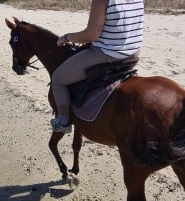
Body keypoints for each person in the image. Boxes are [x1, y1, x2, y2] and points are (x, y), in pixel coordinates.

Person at [51, 0, 144, 133]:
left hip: (109, 54)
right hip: (133, 53)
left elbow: (91, 34)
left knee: (58, 79)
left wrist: (66, 37)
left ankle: (63, 122)